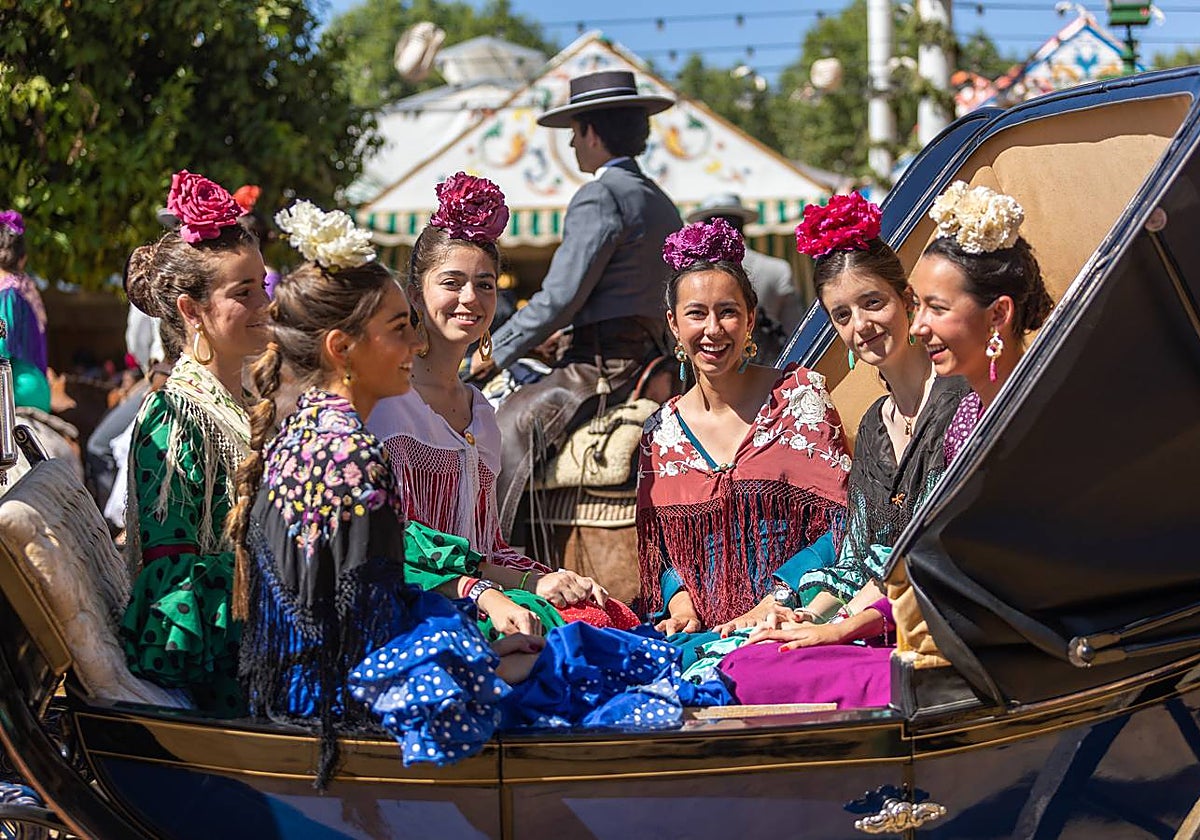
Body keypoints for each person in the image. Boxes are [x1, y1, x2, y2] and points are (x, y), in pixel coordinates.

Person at [229, 200, 543, 785]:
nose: (413, 346)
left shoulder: (322, 429)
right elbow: (367, 634)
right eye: (400, 331)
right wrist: (474, 640)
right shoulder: (349, 452)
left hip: (319, 673)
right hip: (327, 701)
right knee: (553, 664)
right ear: (342, 351)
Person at [718, 182, 1051, 709]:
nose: (861, 327)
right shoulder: (875, 424)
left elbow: (929, 559)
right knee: (736, 654)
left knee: (759, 669)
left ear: (905, 301)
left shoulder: (966, 401)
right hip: (883, 614)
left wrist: (840, 626)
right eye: (842, 316)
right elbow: (858, 553)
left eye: (873, 303)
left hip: (934, 627)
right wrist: (804, 611)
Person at [368, 173, 636, 638]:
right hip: (416, 603)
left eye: (485, 284)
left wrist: (549, 578)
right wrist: (485, 592)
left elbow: (487, 547)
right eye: (452, 282)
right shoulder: (389, 404)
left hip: (483, 594)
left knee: (602, 616)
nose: (470, 298)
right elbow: (387, 546)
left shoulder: (483, 412)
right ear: (415, 293)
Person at [481, 69, 684, 538]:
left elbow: (557, 299)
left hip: (600, 371)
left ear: (592, 133)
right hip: (652, 365)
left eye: (575, 133)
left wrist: (489, 354)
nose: (573, 146)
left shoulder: (599, 195)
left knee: (500, 428)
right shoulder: (662, 201)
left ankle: (494, 553)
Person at [636, 217, 850, 641]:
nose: (713, 329)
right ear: (674, 325)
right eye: (696, 314)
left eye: (728, 312)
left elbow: (844, 527)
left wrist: (779, 599)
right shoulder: (658, 433)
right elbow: (659, 555)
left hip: (795, 620)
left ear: (751, 319)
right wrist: (680, 606)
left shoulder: (800, 397)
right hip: (699, 634)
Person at [119, 170, 269, 715]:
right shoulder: (176, 417)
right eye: (243, 293)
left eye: (263, 288)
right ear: (191, 310)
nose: (264, 306)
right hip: (235, 658)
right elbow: (172, 581)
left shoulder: (252, 400)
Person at [910, 181, 1053, 463]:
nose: (917, 327)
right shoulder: (962, 422)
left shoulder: (1047, 404)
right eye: (917, 306)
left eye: (937, 308)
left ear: (998, 314)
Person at [686, 192, 802, 364]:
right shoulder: (777, 269)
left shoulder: (690, 276)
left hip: (709, 363)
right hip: (769, 370)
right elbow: (795, 331)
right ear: (742, 227)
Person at [0, 210, 52, 413]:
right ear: (22, 259)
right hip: (37, 386)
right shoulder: (24, 288)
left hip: (16, 389)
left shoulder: (7, 293)